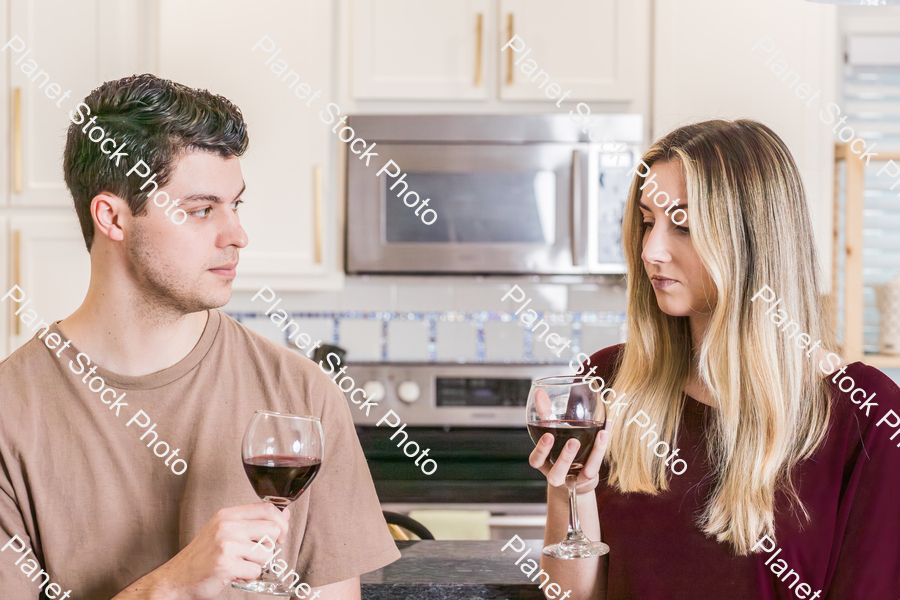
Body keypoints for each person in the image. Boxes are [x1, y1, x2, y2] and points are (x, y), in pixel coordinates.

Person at [0, 74, 400, 599]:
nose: (237, 235)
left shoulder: (302, 397)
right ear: (113, 218)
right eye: (201, 210)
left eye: (236, 205)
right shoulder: (11, 414)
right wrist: (174, 586)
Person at [529, 120, 900, 599]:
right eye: (648, 221)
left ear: (754, 241)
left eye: (682, 224)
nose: (650, 249)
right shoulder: (606, 382)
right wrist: (571, 494)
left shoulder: (866, 412)